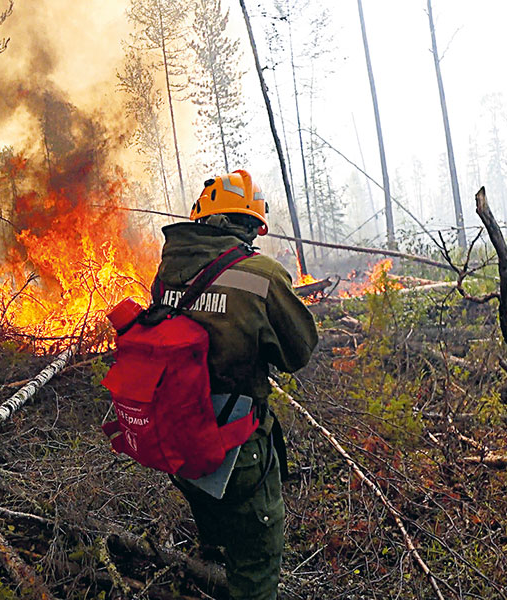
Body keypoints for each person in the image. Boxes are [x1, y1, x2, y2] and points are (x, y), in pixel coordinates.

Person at [151, 169, 318, 600]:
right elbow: (297, 353)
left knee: (216, 518)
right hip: (236, 449)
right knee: (257, 564)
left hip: (180, 435)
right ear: (250, 225)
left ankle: (212, 550)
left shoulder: (168, 269)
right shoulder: (260, 274)